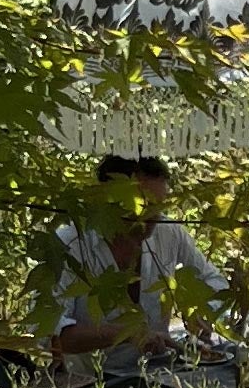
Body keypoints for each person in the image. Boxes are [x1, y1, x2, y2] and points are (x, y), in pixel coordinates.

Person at [49, 155, 228, 375]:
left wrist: (201, 310)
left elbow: (216, 282)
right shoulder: (71, 243)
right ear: (108, 200)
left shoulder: (168, 231)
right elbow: (51, 333)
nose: (151, 218)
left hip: (162, 376)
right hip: (90, 383)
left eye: (158, 206)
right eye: (141, 206)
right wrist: (127, 333)